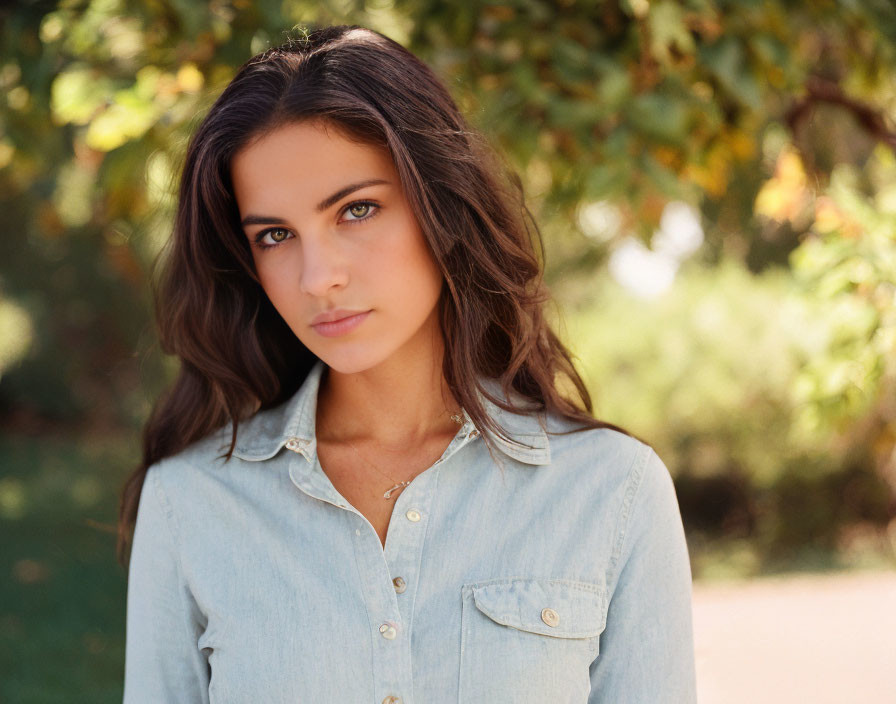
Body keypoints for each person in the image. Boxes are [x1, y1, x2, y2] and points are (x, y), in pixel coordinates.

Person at [117, 24, 697, 704]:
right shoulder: (192, 503)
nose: (317, 277)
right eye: (275, 235)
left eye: (356, 210)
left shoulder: (609, 493)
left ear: (440, 206)